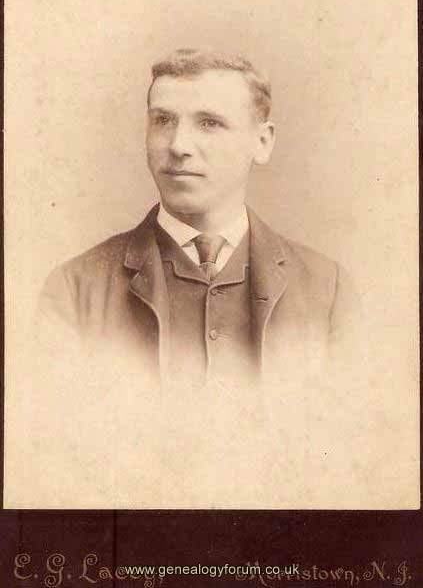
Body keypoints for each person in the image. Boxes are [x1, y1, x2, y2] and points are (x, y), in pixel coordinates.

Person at [30, 49, 365, 507]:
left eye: (209, 123)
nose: (178, 145)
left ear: (262, 142)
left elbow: (349, 462)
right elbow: (55, 465)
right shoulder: (74, 290)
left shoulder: (328, 291)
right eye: (163, 120)